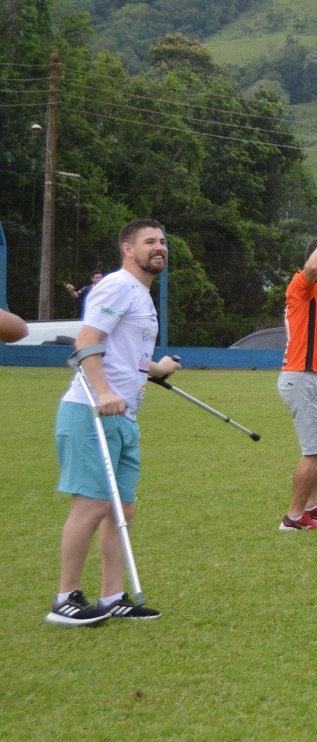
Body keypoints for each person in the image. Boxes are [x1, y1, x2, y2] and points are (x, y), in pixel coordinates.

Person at [48, 219, 179, 625]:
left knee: (122, 509)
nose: (159, 247)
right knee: (91, 505)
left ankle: (112, 597)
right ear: (127, 249)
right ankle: (65, 598)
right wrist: (104, 392)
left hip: (124, 416)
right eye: (149, 241)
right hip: (92, 411)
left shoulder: (141, 295)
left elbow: (125, 352)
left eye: (162, 241)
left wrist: (156, 367)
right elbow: (87, 342)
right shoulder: (118, 286)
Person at [278, 220, 317, 531]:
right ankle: (293, 518)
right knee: (314, 449)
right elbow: (312, 267)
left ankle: (310, 506)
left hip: (314, 379)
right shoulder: (302, 284)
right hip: (302, 378)